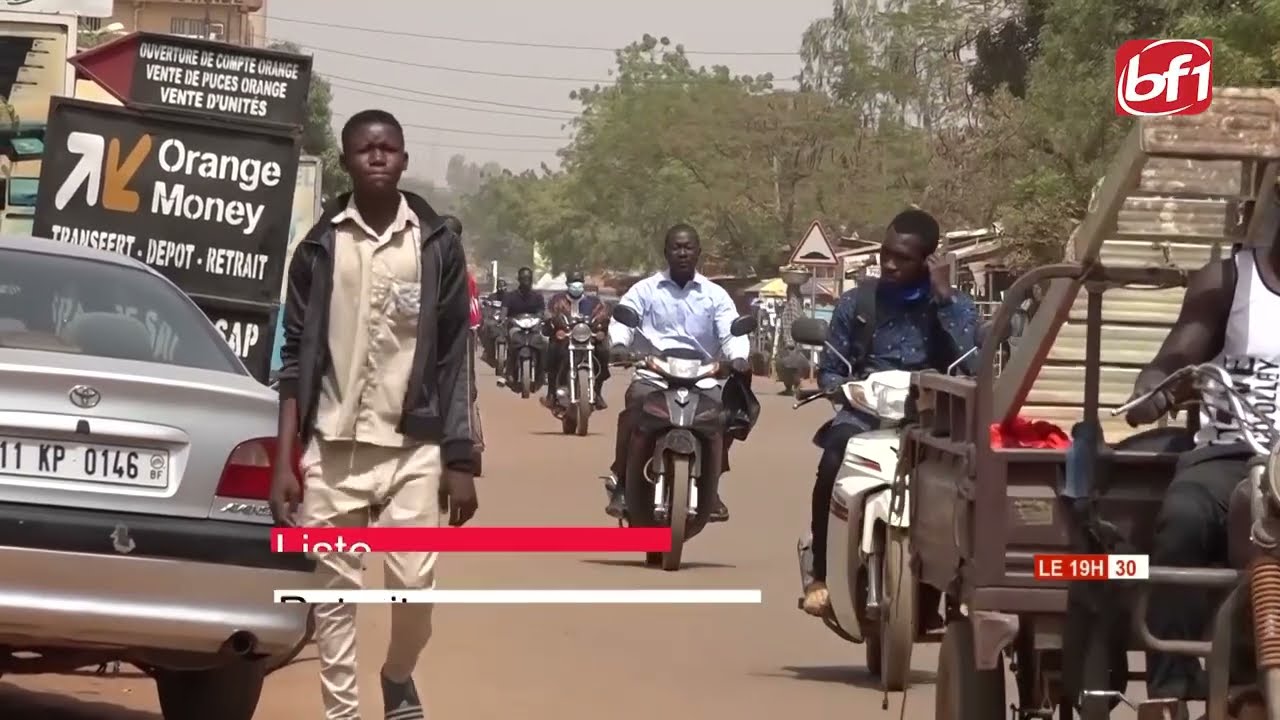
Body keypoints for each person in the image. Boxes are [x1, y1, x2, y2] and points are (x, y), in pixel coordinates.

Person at [269, 108, 479, 720]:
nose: (378, 157)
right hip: (332, 450)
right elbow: (293, 358)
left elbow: (454, 356)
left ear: (404, 160)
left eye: (389, 148)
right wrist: (285, 460)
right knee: (335, 603)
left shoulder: (435, 244)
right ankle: (342, 714)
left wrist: (460, 458)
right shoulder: (318, 248)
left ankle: (398, 674)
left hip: (413, 449)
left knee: (414, 589)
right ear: (347, 162)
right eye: (366, 149)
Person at [1122, 243, 1280, 713]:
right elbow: (1174, 358)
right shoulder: (1229, 280)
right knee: (1185, 516)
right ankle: (1171, 684)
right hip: (1229, 454)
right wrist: (1154, 389)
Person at [802, 208, 978, 616]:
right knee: (832, 460)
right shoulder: (857, 302)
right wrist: (839, 388)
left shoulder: (955, 306)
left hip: (930, 420)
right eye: (886, 254)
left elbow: (973, 365)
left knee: (968, 481)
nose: (890, 264)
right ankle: (820, 573)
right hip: (864, 414)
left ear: (929, 261)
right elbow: (830, 368)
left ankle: (958, 589)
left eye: (903, 257)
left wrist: (945, 300)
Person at [603, 223, 752, 522]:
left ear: (698, 252)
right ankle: (622, 483)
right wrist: (619, 344)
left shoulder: (715, 295)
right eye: (676, 247)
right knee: (635, 407)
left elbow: (731, 330)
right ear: (666, 252)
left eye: (688, 247)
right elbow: (623, 319)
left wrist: (738, 357)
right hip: (654, 374)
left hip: (702, 376)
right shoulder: (645, 290)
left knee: (723, 415)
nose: (682, 253)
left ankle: (712, 486)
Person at [542, 269, 611, 409]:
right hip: (565, 339)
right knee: (553, 350)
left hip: (588, 338)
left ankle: (597, 392)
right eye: (574, 282)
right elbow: (549, 315)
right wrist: (556, 325)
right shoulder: (557, 300)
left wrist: (600, 326)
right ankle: (551, 393)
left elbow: (603, 316)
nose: (577, 285)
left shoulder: (594, 302)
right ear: (567, 284)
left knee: (603, 351)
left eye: (579, 282)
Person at [499, 266, 546, 386]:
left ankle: (542, 374)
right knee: (512, 342)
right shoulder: (510, 296)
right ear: (519, 279)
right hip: (515, 326)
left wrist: (540, 319)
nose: (526, 281)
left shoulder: (537, 296)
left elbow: (541, 312)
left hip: (533, 327)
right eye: (523, 278)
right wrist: (503, 319)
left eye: (528, 278)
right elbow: (504, 311)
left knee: (544, 344)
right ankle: (509, 372)